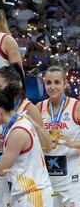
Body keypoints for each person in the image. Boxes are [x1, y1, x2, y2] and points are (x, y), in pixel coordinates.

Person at [0, 63, 52, 206]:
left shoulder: (28, 108)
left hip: (21, 178)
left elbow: (47, 145)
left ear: (11, 87)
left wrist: (36, 128)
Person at [37, 66, 80, 206]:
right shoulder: (38, 108)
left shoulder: (76, 107)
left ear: (65, 83)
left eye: (57, 82)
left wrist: (69, 143)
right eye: (48, 83)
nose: (52, 87)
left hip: (72, 179)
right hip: (47, 179)